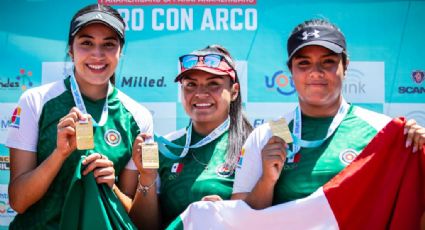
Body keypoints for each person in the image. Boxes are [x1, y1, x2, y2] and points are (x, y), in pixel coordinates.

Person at [231, 19, 425, 210]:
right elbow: (239, 218)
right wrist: (267, 181)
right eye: (304, 64)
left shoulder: (381, 131)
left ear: (346, 66)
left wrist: (420, 147)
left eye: (328, 62)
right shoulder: (268, 134)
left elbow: (409, 205)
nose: (316, 72)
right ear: (291, 70)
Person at [6, 4, 152, 229]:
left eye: (109, 44)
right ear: (70, 50)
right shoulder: (36, 101)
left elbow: (137, 219)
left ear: (120, 52)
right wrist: (59, 154)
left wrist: (112, 187)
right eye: (86, 43)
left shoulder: (138, 116)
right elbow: (18, 201)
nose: (97, 54)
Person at [128, 45, 253, 229]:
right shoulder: (166, 147)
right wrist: (147, 177)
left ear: (234, 92)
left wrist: (228, 215)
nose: (200, 93)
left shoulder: (252, 144)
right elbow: (144, 227)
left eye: (213, 84)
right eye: (190, 85)